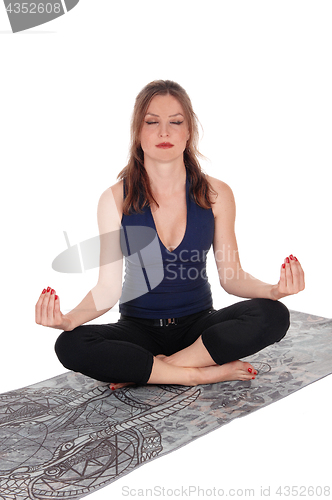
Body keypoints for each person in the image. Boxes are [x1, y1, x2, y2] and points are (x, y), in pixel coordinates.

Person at [35, 80, 305, 390]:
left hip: (199, 329)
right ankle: (198, 373)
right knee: (70, 345)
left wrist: (274, 290)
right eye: (152, 122)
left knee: (273, 315)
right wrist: (67, 320)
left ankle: (158, 369)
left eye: (175, 122)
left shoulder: (217, 194)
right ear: (138, 132)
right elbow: (108, 288)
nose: (164, 132)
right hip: (139, 332)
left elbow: (232, 276)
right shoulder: (114, 199)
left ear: (189, 131)